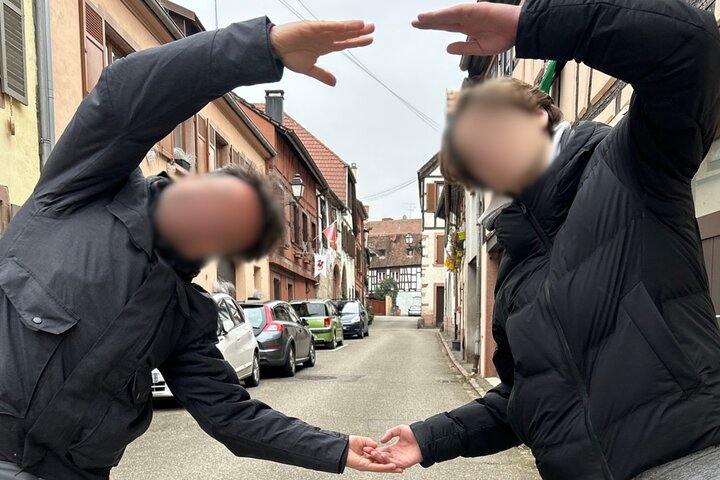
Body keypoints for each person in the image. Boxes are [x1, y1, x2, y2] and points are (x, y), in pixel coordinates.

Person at [0, 16, 403, 480]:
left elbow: (231, 416)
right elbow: (122, 94)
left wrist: (336, 449)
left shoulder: (184, 316)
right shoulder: (86, 185)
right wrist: (261, 47)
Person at [365, 0, 720, 479]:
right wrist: (429, 438)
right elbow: (525, 398)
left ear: (536, 114)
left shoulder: (631, 164)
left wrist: (533, 25)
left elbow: (693, 49)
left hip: (689, 459)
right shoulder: (514, 273)